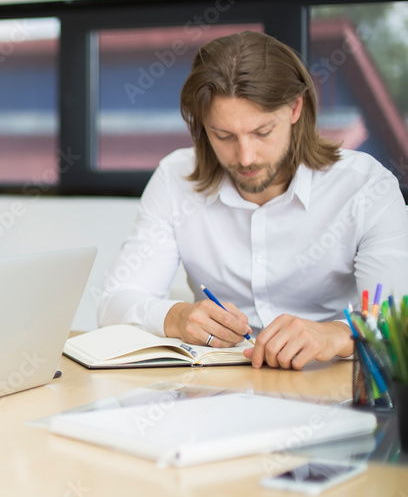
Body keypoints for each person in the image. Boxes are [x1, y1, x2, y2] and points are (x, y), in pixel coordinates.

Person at [97, 30, 408, 370]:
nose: (245, 157)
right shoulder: (175, 179)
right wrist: (175, 315)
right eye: (224, 135)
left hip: (334, 385)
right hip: (219, 391)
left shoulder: (364, 187)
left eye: (262, 133)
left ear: (295, 108)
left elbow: (397, 321)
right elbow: (114, 302)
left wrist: (336, 335)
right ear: (203, 126)